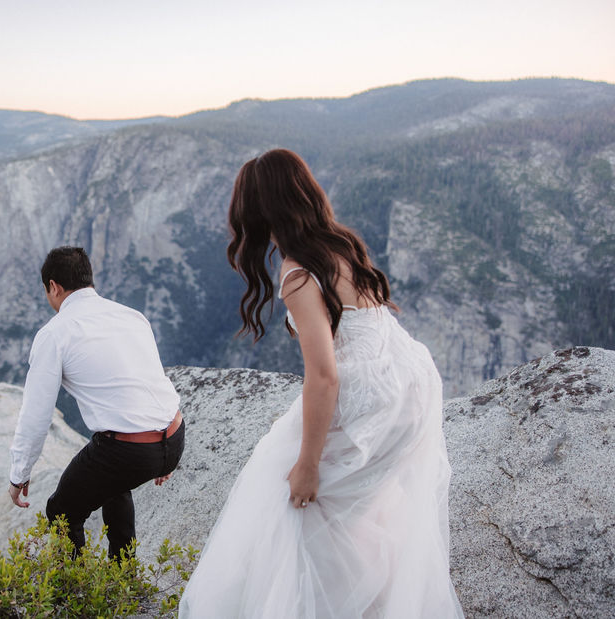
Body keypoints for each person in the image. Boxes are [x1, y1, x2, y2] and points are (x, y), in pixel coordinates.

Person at [179, 150, 463, 617]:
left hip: (369, 400)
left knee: (283, 496)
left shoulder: (297, 272)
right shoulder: (340, 243)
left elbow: (325, 375)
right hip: (410, 384)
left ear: (261, 210)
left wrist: (308, 463)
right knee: (348, 503)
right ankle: (368, 590)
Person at [8, 246, 185, 558]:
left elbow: (35, 416)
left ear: (53, 287)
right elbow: (151, 378)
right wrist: (165, 450)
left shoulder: (55, 334)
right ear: (88, 279)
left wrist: (19, 474)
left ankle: (75, 593)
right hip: (173, 434)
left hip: (131, 449)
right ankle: (122, 575)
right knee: (113, 483)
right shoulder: (132, 316)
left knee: (61, 510)